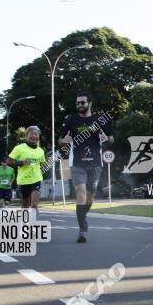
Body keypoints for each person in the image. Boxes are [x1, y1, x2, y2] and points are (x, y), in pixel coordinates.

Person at [58, 91, 113, 243]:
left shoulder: (99, 120)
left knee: (90, 198)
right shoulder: (71, 120)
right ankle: (82, 229)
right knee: (81, 194)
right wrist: (64, 140)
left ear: (89, 103)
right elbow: (60, 140)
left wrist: (107, 138)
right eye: (77, 103)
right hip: (77, 163)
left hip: (95, 164)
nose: (79, 105)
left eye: (82, 102)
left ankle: (83, 216)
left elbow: (112, 138)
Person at [8, 126, 45, 212]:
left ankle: (33, 224)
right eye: (32, 134)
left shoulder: (41, 151)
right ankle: (24, 223)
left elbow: (42, 163)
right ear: (26, 136)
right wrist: (21, 163)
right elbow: (9, 161)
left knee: (34, 204)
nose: (34, 136)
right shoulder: (19, 148)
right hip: (23, 180)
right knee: (25, 205)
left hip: (37, 179)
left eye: (36, 134)